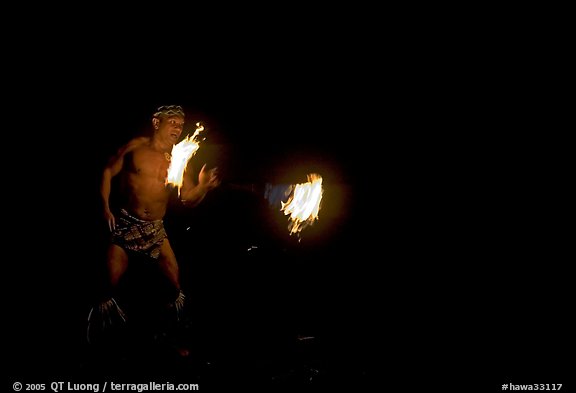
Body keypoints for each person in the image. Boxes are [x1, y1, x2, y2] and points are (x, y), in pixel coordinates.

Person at [88, 105, 220, 345]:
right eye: (173, 122)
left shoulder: (179, 158)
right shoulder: (136, 147)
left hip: (156, 230)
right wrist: (104, 207)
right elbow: (107, 171)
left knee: (174, 288)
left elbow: (187, 198)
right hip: (126, 225)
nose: (178, 128)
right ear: (156, 123)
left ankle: (172, 336)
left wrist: (203, 187)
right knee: (106, 288)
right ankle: (100, 340)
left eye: (181, 124)